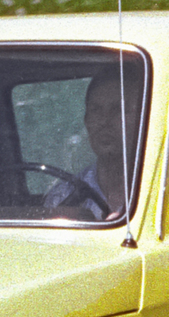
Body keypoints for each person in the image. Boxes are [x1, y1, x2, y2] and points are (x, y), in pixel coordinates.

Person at [44, 67, 146, 222]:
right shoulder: (63, 197)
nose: (105, 121)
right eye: (96, 111)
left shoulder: (167, 189)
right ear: (87, 121)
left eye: (118, 109)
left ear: (143, 118)